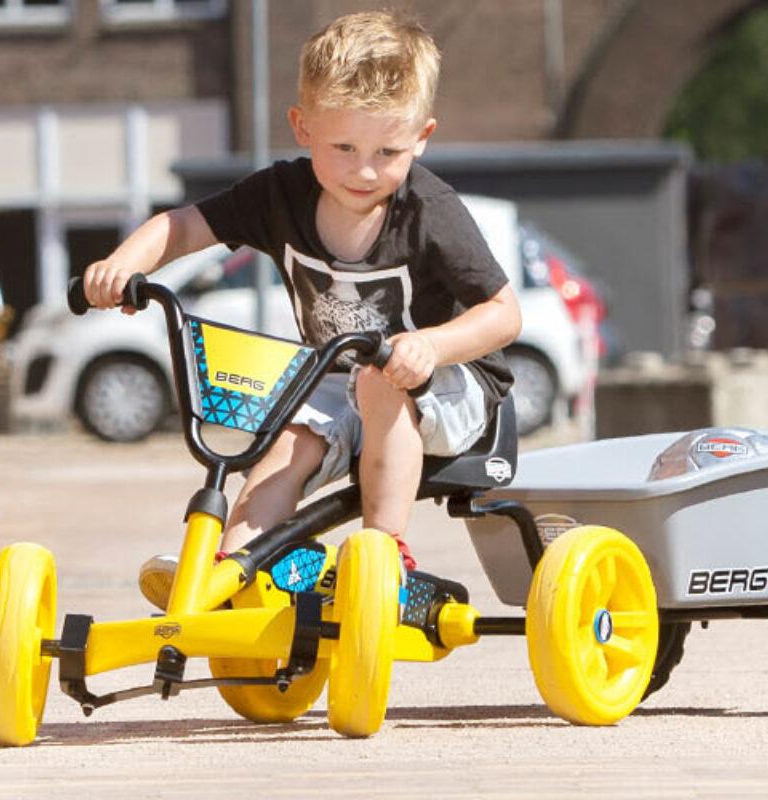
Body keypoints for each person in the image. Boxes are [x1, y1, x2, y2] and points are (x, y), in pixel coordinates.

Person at [82, 10, 521, 609]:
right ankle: (228, 576)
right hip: (337, 378)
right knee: (284, 445)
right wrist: (126, 264)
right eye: (343, 146)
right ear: (302, 127)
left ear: (422, 138)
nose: (364, 170)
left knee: (381, 379)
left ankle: (384, 556)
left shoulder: (430, 210)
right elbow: (184, 227)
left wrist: (433, 345)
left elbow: (503, 314)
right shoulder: (280, 196)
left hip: (449, 384)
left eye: (388, 151)